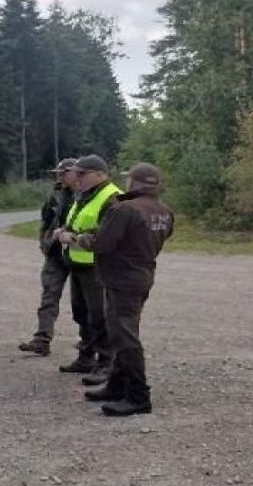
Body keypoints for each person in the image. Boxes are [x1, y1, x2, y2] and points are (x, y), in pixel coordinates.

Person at [66, 163, 173, 416]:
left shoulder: (124, 209)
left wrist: (72, 238)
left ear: (134, 182)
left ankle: (138, 396)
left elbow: (102, 244)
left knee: (124, 337)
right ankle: (116, 385)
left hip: (121, 279)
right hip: (143, 274)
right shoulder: (164, 211)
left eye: (128, 179)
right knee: (120, 332)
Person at [53, 155, 122, 381]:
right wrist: (63, 230)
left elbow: (108, 235)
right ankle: (86, 357)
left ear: (100, 174)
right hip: (79, 264)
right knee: (81, 313)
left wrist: (70, 238)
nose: (77, 177)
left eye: (83, 174)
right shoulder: (84, 195)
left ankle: (105, 363)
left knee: (99, 316)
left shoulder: (112, 197)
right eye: (77, 173)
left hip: (98, 267)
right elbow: (78, 222)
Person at [17, 158, 78, 356]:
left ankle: (89, 342)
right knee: (48, 297)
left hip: (79, 253)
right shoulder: (56, 194)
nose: (60, 176)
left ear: (76, 172)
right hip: (55, 253)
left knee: (83, 303)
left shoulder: (88, 195)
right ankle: (42, 339)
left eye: (64, 172)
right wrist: (44, 241)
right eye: (59, 173)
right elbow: (46, 220)